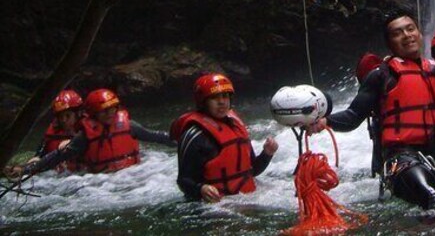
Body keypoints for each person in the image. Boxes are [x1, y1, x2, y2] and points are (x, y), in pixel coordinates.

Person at [308, 11, 435, 212]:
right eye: (398, 33)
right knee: (432, 197)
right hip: (402, 157)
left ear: (420, 34)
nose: (407, 35)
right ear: (389, 43)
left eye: (411, 29)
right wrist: (325, 121)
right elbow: (353, 116)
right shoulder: (381, 76)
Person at [4, 88, 175, 179]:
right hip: (99, 183)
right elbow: (58, 156)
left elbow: (157, 137)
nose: (110, 114)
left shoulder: (129, 125)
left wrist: (181, 139)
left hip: (135, 176)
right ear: (94, 114)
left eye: (112, 109)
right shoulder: (85, 136)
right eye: (104, 111)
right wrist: (27, 169)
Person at [170, 73, 279, 202]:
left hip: (244, 199)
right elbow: (184, 181)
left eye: (225, 96)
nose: (221, 102)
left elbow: (251, 171)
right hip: (211, 207)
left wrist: (267, 154)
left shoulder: (236, 127)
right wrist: (200, 189)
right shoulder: (195, 135)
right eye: (214, 98)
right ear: (203, 102)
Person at [27, 90, 85, 173]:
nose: (64, 120)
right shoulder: (52, 133)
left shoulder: (87, 132)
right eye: (61, 117)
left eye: (68, 115)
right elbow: (39, 156)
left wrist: (73, 142)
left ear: (78, 114)